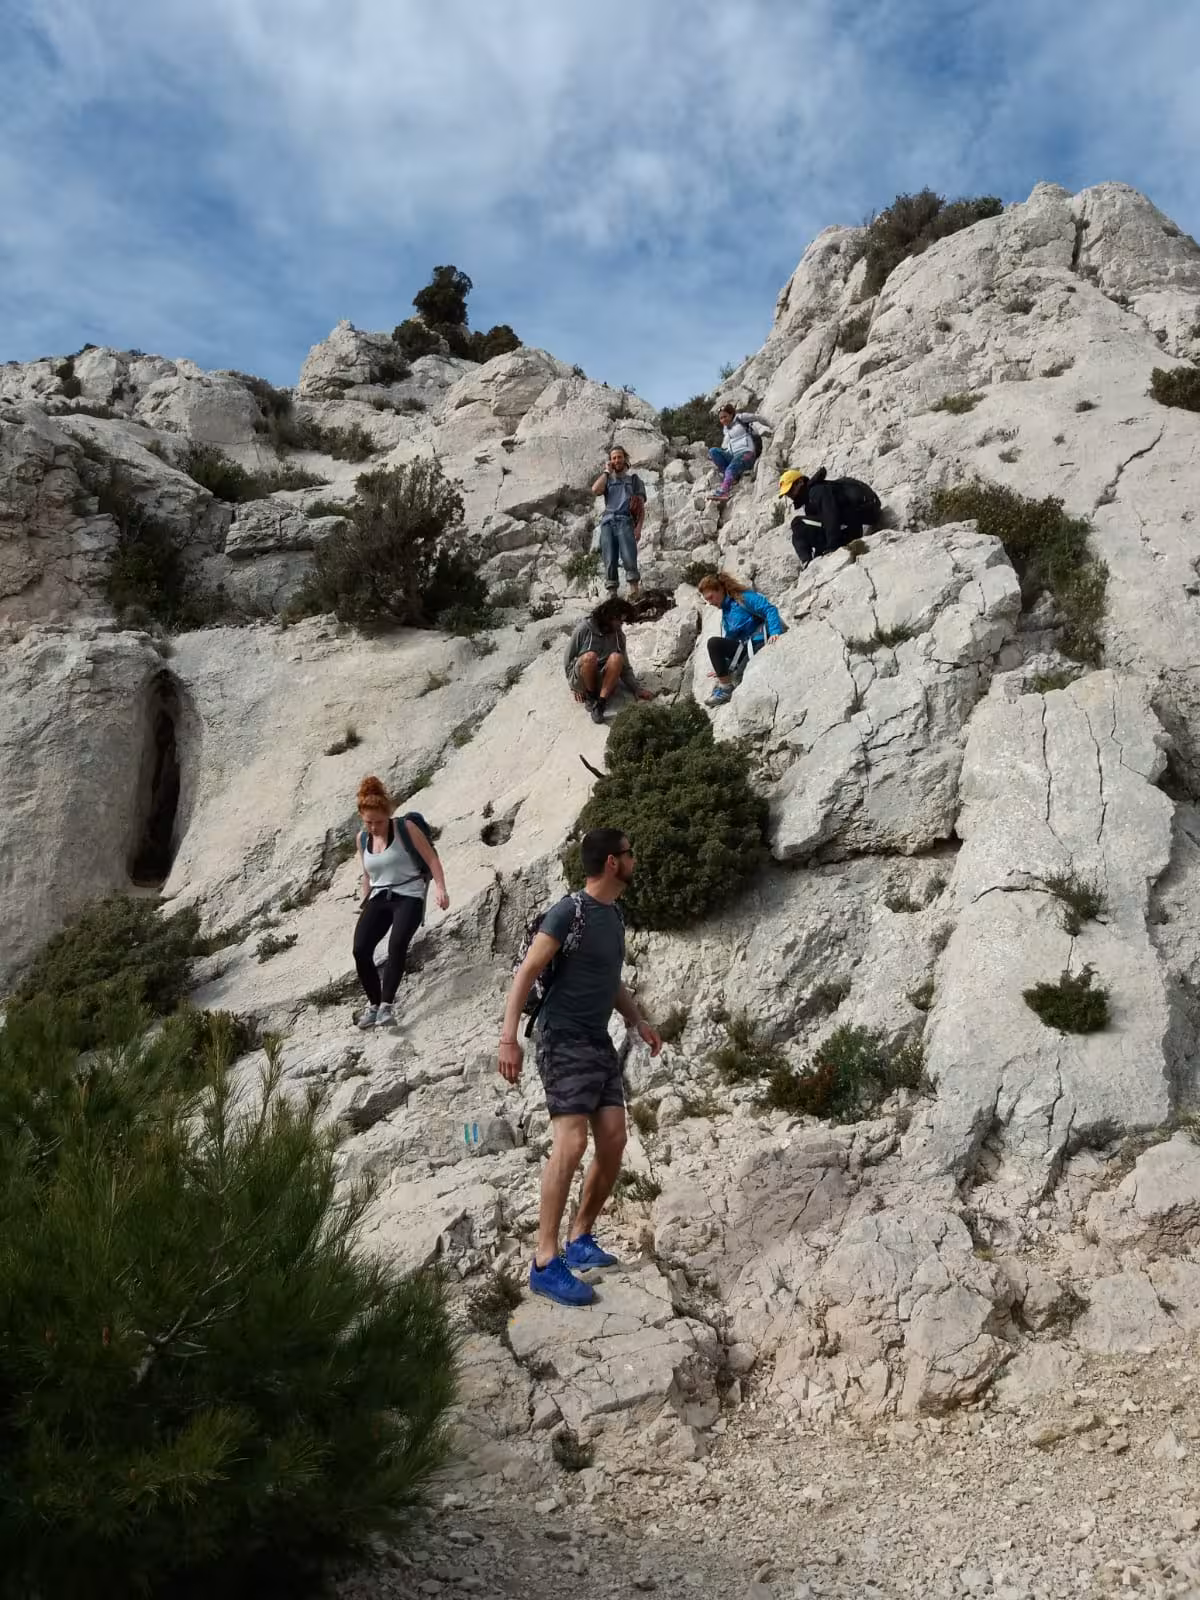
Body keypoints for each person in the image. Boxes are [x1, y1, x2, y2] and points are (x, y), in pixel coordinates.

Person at [497, 826, 662, 1307]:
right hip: (560, 1037)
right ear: (613, 862)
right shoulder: (570, 912)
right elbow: (526, 973)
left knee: (613, 1138)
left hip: (596, 1040)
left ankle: (580, 1239)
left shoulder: (614, 915)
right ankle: (546, 1263)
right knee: (571, 1142)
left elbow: (609, 980)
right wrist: (509, 1040)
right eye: (630, 853)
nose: (635, 860)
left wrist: (637, 1022)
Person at [352, 775, 449, 1029]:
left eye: (378, 822)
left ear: (388, 814)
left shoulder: (405, 829)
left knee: (397, 944)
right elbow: (367, 873)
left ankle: (386, 1006)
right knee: (360, 949)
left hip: (409, 894)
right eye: (368, 822)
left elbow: (432, 859)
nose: (373, 827)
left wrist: (440, 888)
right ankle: (373, 1005)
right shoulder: (362, 839)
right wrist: (365, 903)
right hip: (379, 895)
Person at [697, 571, 785, 706]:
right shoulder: (726, 611)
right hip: (745, 647)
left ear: (720, 590)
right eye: (707, 600)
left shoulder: (743, 598)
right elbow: (730, 639)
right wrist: (723, 668)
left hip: (760, 641)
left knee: (740, 676)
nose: (710, 603)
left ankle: (727, 689)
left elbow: (769, 609)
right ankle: (725, 687)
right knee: (714, 643)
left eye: (711, 597)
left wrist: (775, 632)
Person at [564, 596, 655, 724]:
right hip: (584, 676)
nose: (619, 625)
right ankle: (590, 698)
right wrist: (574, 687)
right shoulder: (584, 629)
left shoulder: (618, 636)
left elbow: (625, 667)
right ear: (608, 616)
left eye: (622, 622)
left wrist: (636, 689)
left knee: (617, 658)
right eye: (618, 620)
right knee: (590, 656)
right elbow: (568, 659)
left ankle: (600, 704)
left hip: (603, 679)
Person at [779, 467, 882, 568]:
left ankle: (808, 562)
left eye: (791, 489)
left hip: (852, 528)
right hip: (849, 526)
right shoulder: (810, 500)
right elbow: (822, 524)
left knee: (797, 523)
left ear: (800, 482)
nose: (790, 495)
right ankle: (808, 563)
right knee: (797, 534)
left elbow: (831, 516)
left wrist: (832, 547)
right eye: (787, 493)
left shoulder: (817, 491)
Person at [590, 445, 646, 599]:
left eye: (619, 457)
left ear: (624, 458)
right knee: (609, 557)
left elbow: (640, 507)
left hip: (625, 520)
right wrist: (606, 472)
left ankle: (633, 587)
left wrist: (639, 528)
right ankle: (612, 590)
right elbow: (595, 490)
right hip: (607, 522)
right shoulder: (607, 480)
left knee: (629, 554)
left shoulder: (634, 480)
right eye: (613, 458)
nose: (617, 460)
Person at [708, 404, 773, 502]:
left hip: (747, 453)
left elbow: (757, 417)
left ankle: (724, 491)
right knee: (713, 451)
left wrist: (772, 426)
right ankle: (732, 478)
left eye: (725, 416)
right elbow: (725, 446)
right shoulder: (725, 430)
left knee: (731, 468)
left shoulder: (740, 418)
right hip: (734, 456)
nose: (723, 420)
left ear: (731, 414)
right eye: (721, 418)